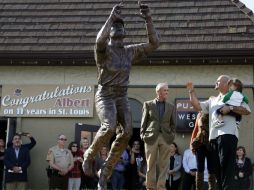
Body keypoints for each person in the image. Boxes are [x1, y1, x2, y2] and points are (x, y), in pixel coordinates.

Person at [82, 2, 159, 190]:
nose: (117, 28)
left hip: (121, 96)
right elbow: (99, 41)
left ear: (124, 32)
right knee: (109, 127)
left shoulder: (129, 51)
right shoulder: (104, 51)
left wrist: (148, 19)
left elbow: (154, 44)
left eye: (120, 26)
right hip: (105, 95)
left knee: (126, 133)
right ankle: (89, 156)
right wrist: (111, 17)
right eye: (114, 26)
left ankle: (106, 171)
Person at [186, 75, 251, 190]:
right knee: (217, 170)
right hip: (213, 138)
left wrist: (230, 108)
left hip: (228, 135)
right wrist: (191, 91)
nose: (215, 82)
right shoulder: (212, 100)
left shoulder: (235, 96)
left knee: (226, 168)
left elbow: (246, 110)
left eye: (219, 81)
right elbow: (197, 106)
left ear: (227, 83)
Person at [140, 83, 175, 190]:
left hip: (165, 137)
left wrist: (172, 135)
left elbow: (173, 123)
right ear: (158, 92)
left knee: (164, 165)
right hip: (151, 137)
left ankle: (161, 187)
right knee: (151, 164)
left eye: (167, 90)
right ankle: (150, 187)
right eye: (165, 90)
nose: (167, 92)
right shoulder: (148, 104)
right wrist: (143, 135)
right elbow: (143, 122)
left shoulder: (171, 106)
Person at [190, 112, 216, 190]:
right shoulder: (200, 114)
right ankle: (198, 188)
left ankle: (211, 188)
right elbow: (195, 129)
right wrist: (191, 144)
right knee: (199, 167)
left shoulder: (215, 113)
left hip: (211, 143)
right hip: (200, 143)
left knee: (211, 168)